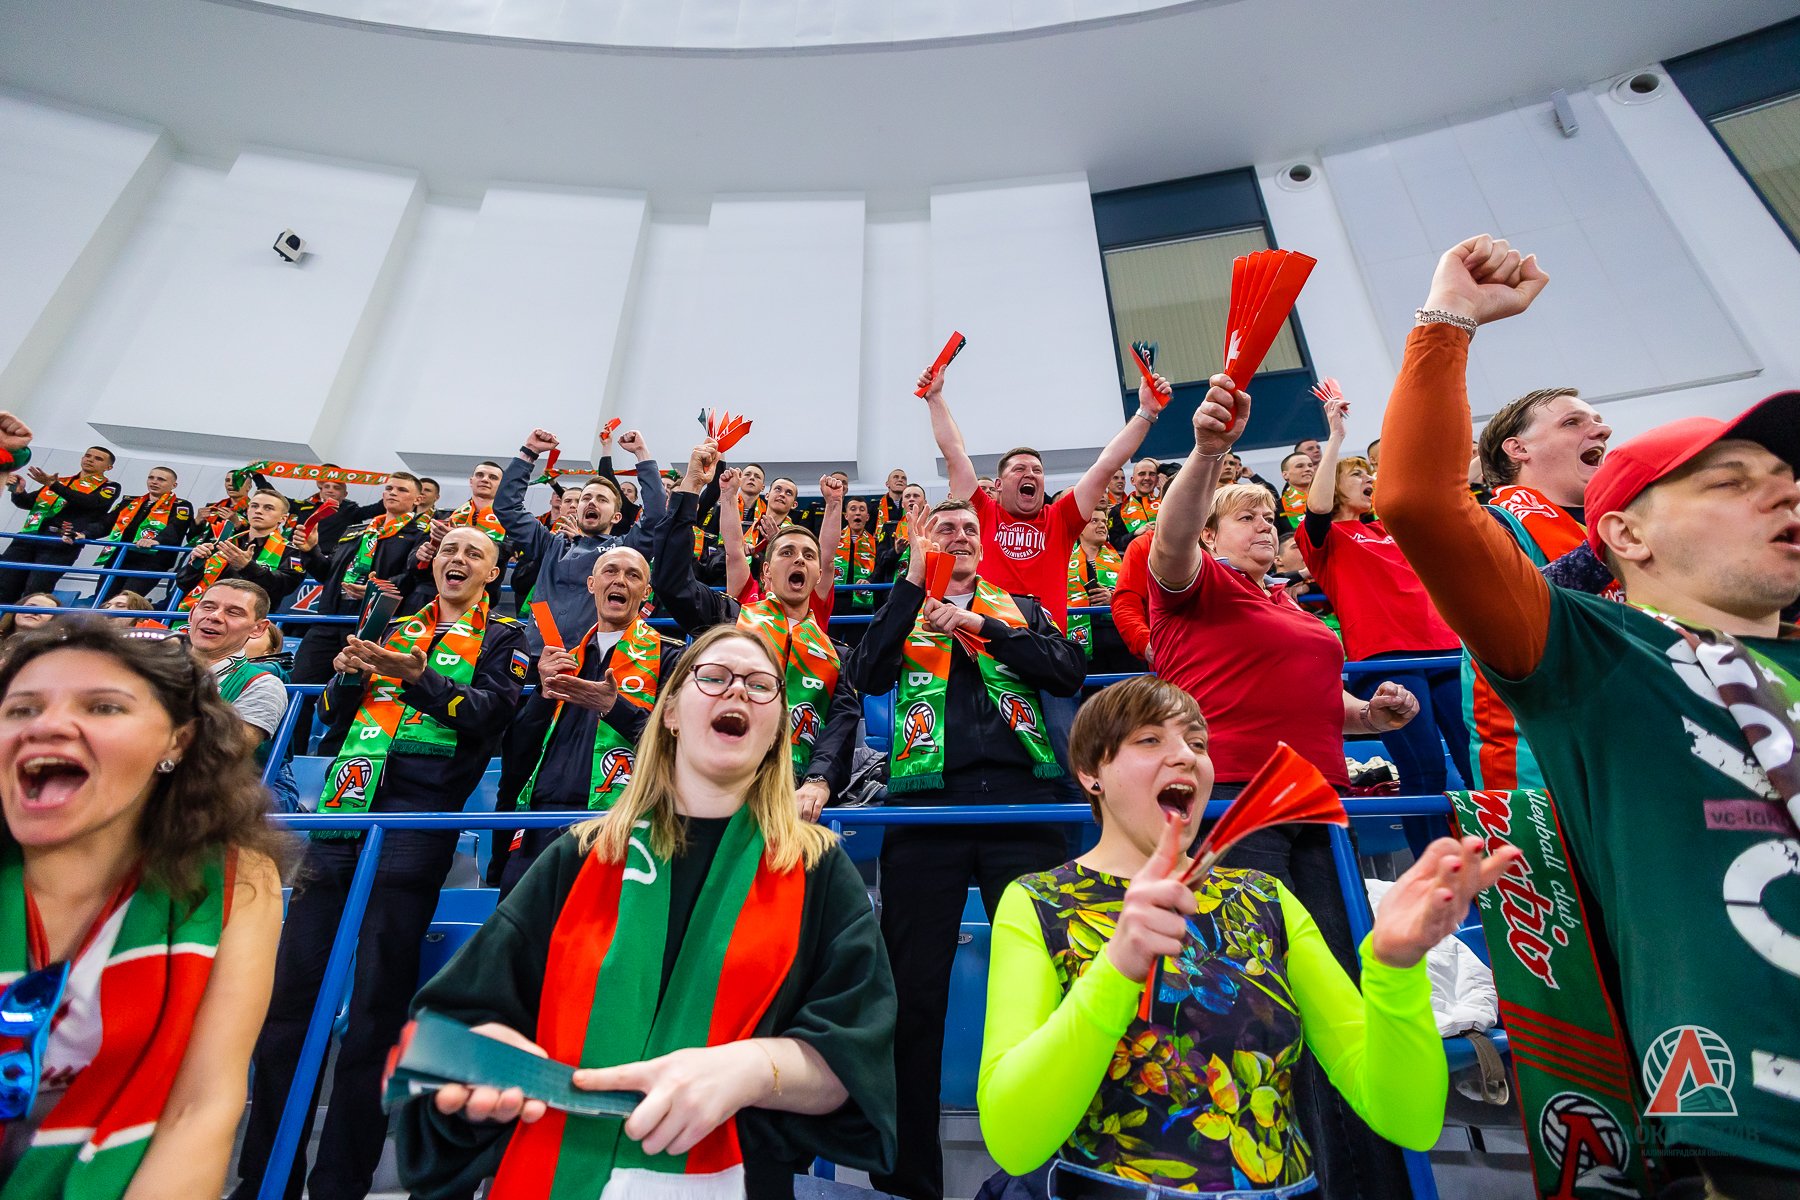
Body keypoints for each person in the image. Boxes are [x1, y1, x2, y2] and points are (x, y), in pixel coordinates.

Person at [1379, 232, 1800, 1192]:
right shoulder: (1597, 656)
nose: (1782, 495)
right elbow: (1419, 502)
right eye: (1732, 481)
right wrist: (1449, 320)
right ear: (1626, 535)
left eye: (1788, 481)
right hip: (1753, 1146)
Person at [391, 624, 897, 1200]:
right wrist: (483, 1057)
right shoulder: (581, 856)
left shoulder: (816, 869)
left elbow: (853, 1056)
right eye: (714, 677)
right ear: (671, 712)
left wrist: (754, 1068)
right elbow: (455, 1024)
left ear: (779, 728)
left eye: (761, 686)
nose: (737, 690)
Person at [977, 676, 1517, 1196]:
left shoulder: (1264, 897)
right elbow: (1014, 1142)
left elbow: (1408, 1120)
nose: (1186, 756)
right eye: (1149, 739)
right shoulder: (1038, 901)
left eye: (1197, 743)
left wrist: (1396, 970)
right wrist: (1116, 969)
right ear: (1091, 773)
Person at [1148, 383, 1425, 1199]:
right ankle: (1285, 1180)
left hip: (1318, 801)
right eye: (1246, 516)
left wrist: (1369, 714)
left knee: (1338, 990)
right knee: (1262, 1000)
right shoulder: (1194, 584)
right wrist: (1206, 454)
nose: (1265, 525)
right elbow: (1169, 538)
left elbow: (1315, 697)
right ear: (1211, 535)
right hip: (1236, 804)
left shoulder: (1288, 604)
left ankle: (1364, 1183)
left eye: (1270, 515)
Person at [232, 528, 527, 1200]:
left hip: (415, 819)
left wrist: (416, 676)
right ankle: (262, 1182)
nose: (457, 559)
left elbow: (491, 715)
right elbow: (332, 720)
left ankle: (340, 1183)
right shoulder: (395, 622)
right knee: (289, 1006)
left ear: (493, 572)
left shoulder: (504, 636)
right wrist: (345, 677)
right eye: (449, 549)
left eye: (474, 554)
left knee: (373, 1011)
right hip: (343, 807)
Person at [847, 498, 1086, 1200]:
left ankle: (1055, 1170)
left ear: (984, 546)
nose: (959, 537)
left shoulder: (1020, 607)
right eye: (944, 530)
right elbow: (866, 674)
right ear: (924, 542)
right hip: (927, 809)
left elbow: (1067, 671)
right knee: (913, 995)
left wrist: (985, 628)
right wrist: (911, 587)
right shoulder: (905, 606)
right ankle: (907, 1180)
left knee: (1056, 985)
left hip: (1025, 803)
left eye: (968, 531)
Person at [0, 618, 285, 1198]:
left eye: (103, 707)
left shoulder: (236, 881)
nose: (47, 725)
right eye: (21, 709)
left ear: (177, 741)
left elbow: (200, 1109)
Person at [654, 444, 859, 819]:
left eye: (808, 556)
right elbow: (673, 582)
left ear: (818, 576)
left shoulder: (837, 655)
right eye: (786, 552)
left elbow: (840, 725)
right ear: (765, 573)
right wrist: (692, 487)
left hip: (794, 803)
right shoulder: (730, 619)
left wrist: (819, 780)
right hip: (722, 792)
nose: (799, 560)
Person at [1299, 393, 1470, 794]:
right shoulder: (1326, 537)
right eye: (1356, 475)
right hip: (1386, 655)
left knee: (1475, 761)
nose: (1368, 479)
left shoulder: (1392, 529)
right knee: (1425, 770)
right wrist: (1336, 437)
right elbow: (1317, 507)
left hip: (1445, 649)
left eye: (1369, 473)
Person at [497, 546, 683, 893]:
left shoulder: (671, 656)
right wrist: (543, 693)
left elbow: (679, 745)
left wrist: (614, 708)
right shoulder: (564, 660)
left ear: (646, 592)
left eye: (633, 575)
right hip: (541, 819)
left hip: (622, 819)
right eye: (610, 571)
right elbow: (518, 749)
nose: (620, 581)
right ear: (591, 584)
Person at [1462, 386, 1612, 790]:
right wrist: (1612, 547)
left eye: (1598, 422)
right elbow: (1514, 610)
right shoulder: (1490, 523)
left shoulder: (1611, 524)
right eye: (1572, 422)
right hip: (1540, 757)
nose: (1603, 431)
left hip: (1628, 736)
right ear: (1518, 448)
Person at [285, 473, 432, 755]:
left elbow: (416, 578)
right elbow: (327, 574)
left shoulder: (420, 535)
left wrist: (378, 589)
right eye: (389, 488)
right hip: (329, 621)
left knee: (353, 698)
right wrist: (311, 551)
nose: (392, 493)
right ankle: (291, 759)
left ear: (418, 499)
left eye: (402, 490)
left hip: (374, 626)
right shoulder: (359, 528)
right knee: (298, 689)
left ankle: (332, 760)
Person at [500, 427, 667, 651]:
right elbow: (507, 507)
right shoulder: (550, 544)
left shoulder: (625, 549)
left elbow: (656, 515)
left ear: (616, 517)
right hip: (538, 655)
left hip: (594, 659)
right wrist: (528, 452)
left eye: (602, 500)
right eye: (586, 498)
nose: (592, 502)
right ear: (577, 510)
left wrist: (642, 453)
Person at [1, 446, 122, 605]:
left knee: (36, 591)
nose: (90, 460)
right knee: (5, 584)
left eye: (98, 459)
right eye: (88, 455)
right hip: (29, 536)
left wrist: (54, 485)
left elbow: (89, 502)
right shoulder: (61, 481)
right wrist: (18, 491)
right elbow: (30, 503)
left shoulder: (110, 487)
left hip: (60, 543)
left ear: (108, 467)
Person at [185, 578, 289, 756]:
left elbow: (224, 753)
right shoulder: (153, 666)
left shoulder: (263, 685)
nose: (214, 616)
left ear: (258, 628)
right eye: (208, 607)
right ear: (192, 613)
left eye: (233, 612)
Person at [175, 489, 306, 613]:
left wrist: (247, 567)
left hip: (249, 620)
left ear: (283, 518)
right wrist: (194, 565)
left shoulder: (292, 551)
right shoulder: (222, 542)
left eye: (268, 508)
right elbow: (184, 584)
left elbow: (285, 586)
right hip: (200, 614)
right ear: (248, 510)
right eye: (254, 506)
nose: (258, 511)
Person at [94, 466, 197, 604]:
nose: (154, 482)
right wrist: (84, 534)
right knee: (103, 599)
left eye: (161, 479)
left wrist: (157, 540)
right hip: (119, 557)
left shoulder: (181, 506)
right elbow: (106, 523)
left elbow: (177, 528)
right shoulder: (130, 502)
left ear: (174, 485)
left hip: (150, 561)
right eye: (151, 477)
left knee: (128, 600)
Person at [1068, 504, 1133, 674]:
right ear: (1080, 528)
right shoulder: (1063, 561)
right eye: (1094, 521)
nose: (1102, 525)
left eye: (1104, 521)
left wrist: (1112, 598)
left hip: (1118, 639)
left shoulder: (1123, 560)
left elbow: (1135, 597)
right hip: (1082, 643)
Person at [1107, 458, 1162, 552]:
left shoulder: (1165, 504)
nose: (1147, 478)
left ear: (1157, 480)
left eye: (1152, 474)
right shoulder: (1118, 511)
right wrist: (1135, 533)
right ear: (1133, 480)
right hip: (1137, 557)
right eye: (1142, 474)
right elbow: (1115, 544)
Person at [1277, 451, 1314, 527]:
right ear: (1285, 475)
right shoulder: (1277, 507)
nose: (1308, 469)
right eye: (1300, 466)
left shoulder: (1331, 498)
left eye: (1310, 466)